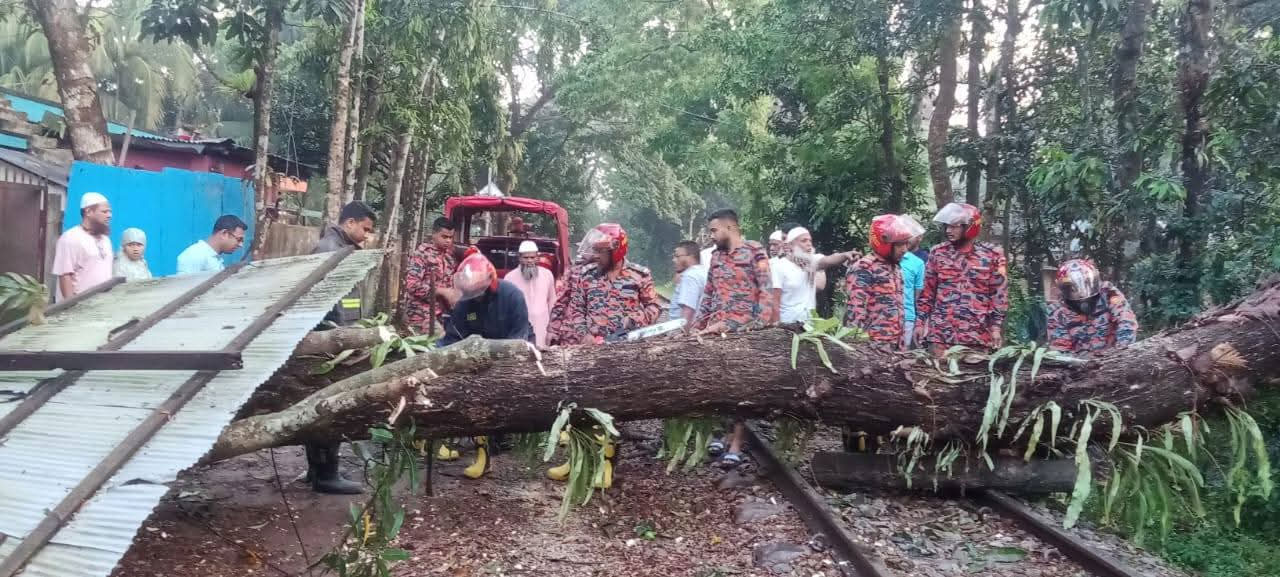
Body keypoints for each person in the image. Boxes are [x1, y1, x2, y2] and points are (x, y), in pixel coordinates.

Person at [301, 201, 378, 496]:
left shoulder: (341, 248)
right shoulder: (330, 250)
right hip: (330, 341)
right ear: (350, 223)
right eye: (365, 229)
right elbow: (324, 302)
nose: (367, 236)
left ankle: (317, 469)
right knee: (331, 406)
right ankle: (326, 474)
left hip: (340, 337)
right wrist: (339, 335)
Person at [695, 209, 776, 467]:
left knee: (742, 388)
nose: (711, 236)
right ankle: (723, 433)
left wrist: (759, 326)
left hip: (744, 332)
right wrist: (698, 325)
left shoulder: (754, 251)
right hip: (717, 331)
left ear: (730, 227)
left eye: (713, 230)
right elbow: (709, 293)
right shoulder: (716, 257)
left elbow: (765, 289)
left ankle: (737, 443)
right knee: (719, 385)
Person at [914, 203, 1009, 354]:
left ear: (970, 227)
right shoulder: (938, 253)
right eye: (947, 226)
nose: (948, 230)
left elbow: (998, 296)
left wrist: (996, 327)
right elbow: (927, 293)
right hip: (941, 334)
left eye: (954, 226)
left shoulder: (992, 255)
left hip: (977, 335)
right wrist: (919, 323)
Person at [547, 223, 662, 345]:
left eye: (600, 252)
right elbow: (577, 309)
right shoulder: (587, 275)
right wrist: (584, 335)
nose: (596, 256)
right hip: (594, 346)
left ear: (616, 250)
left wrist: (635, 320)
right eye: (595, 251)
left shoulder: (639, 275)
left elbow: (654, 307)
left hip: (628, 346)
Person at [843, 214, 923, 346]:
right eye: (900, 245)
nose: (905, 249)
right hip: (873, 347)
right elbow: (856, 314)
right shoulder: (865, 268)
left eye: (906, 244)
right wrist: (857, 347)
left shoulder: (896, 267)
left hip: (896, 346)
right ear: (884, 244)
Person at [1046, 259, 1138, 356]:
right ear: (1064, 289)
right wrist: (1084, 362)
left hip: (1115, 356)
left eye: (1086, 283)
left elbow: (1126, 320)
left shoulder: (1108, 293)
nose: (1081, 293)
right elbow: (1061, 350)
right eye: (1073, 289)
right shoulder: (1057, 312)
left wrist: (1121, 350)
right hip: (1081, 362)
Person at [771, 227, 855, 323]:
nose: (809, 244)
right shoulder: (778, 266)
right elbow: (774, 300)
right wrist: (776, 325)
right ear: (790, 245)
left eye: (810, 240)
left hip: (809, 325)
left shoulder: (812, 261)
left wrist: (845, 255)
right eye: (804, 241)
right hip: (786, 325)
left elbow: (829, 260)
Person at [52, 192, 114, 301]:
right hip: (81, 307)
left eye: (110, 212)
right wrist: (70, 306)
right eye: (104, 212)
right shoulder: (70, 238)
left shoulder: (105, 240)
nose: (109, 215)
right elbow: (65, 275)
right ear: (88, 212)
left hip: (103, 305)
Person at [403, 217, 459, 335]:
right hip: (421, 315)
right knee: (441, 342)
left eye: (450, 237)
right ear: (434, 234)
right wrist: (441, 291)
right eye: (444, 237)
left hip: (440, 315)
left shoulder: (449, 258)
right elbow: (411, 285)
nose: (448, 241)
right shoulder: (422, 254)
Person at [503, 240, 556, 347]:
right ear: (519, 258)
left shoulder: (547, 275)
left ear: (537, 257)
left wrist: (552, 328)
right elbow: (505, 308)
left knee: (542, 354)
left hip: (543, 326)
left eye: (532, 257)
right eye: (526, 258)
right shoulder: (509, 278)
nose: (530, 261)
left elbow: (552, 301)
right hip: (519, 328)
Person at [176, 214, 247, 275]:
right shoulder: (194, 256)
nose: (241, 245)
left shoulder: (213, 256)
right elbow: (185, 286)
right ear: (224, 233)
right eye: (239, 239)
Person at [899, 218, 926, 348]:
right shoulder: (884, 259)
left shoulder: (921, 261)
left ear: (920, 237)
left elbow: (919, 294)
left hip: (908, 315)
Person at [670, 240, 708, 324]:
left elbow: (687, 311)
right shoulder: (703, 272)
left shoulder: (690, 276)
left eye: (677, 256)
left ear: (691, 256)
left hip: (680, 329)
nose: (674, 260)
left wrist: (682, 331)